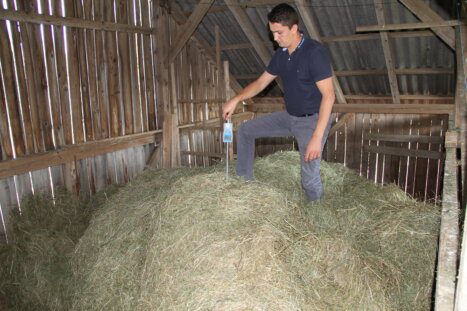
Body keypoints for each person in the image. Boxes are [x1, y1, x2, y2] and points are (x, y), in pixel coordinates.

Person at [222, 3, 335, 201]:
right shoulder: (282, 55)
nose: (275, 38)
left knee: (308, 179)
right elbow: (261, 82)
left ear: (294, 28)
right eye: (272, 32)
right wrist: (236, 99)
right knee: (246, 130)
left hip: (312, 122)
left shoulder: (314, 53)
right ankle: (243, 183)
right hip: (289, 116)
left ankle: (317, 213)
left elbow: (329, 96)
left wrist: (317, 137)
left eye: (279, 32)